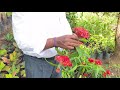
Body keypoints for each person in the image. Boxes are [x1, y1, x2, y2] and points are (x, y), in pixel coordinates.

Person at [12, 12, 81, 78]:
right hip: (37, 63)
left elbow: (61, 20)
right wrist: (54, 42)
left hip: (57, 59)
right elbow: (23, 42)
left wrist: (70, 39)